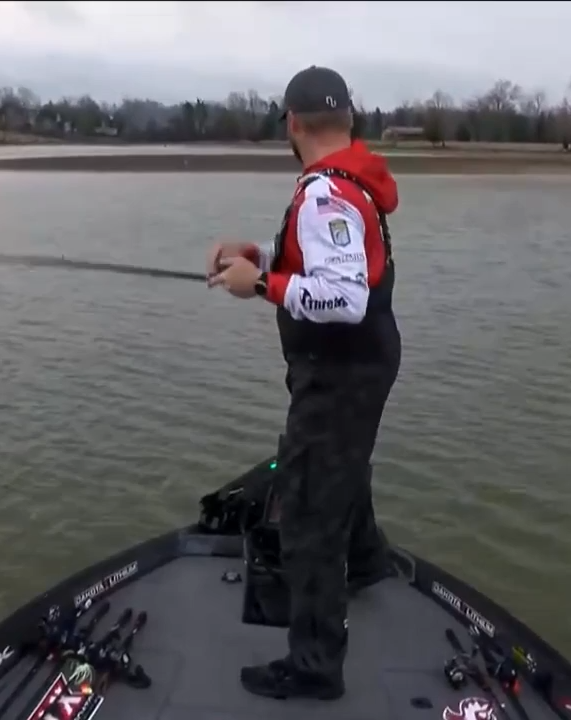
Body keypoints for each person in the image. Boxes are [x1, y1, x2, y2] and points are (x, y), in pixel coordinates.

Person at [205, 65, 402, 701]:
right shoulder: (353, 180)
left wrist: (261, 285)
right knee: (343, 462)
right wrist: (260, 255)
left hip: (340, 370)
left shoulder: (325, 194)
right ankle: (367, 561)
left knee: (310, 507)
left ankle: (315, 665)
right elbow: (330, 262)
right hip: (365, 362)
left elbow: (343, 296)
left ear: (292, 124)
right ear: (347, 119)